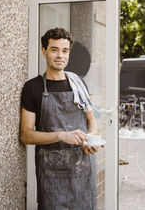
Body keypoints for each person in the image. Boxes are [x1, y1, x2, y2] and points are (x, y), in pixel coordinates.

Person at [20, 27, 99, 210]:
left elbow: (92, 120)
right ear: (44, 51)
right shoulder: (33, 87)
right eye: (54, 49)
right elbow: (26, 135)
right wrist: (62, 135)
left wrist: (91, 139)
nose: (60, 55)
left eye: (64, 51)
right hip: (51, 177)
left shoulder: (79, 83)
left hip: (82, 171)